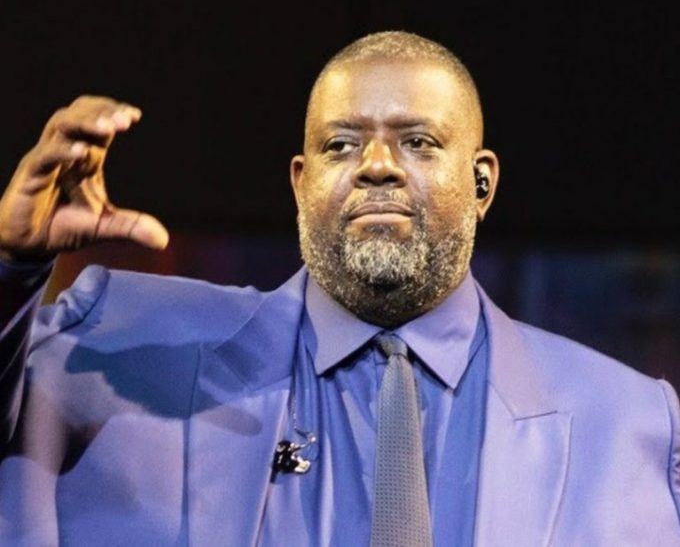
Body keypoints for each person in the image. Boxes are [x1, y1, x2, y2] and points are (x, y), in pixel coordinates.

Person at [0, 31, 678, 546]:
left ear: (481, 184)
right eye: (341, 145)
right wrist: (11, 263)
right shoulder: (117, 347)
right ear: (301, 184)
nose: (376, 165)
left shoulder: (629, 423)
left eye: (418, 141)